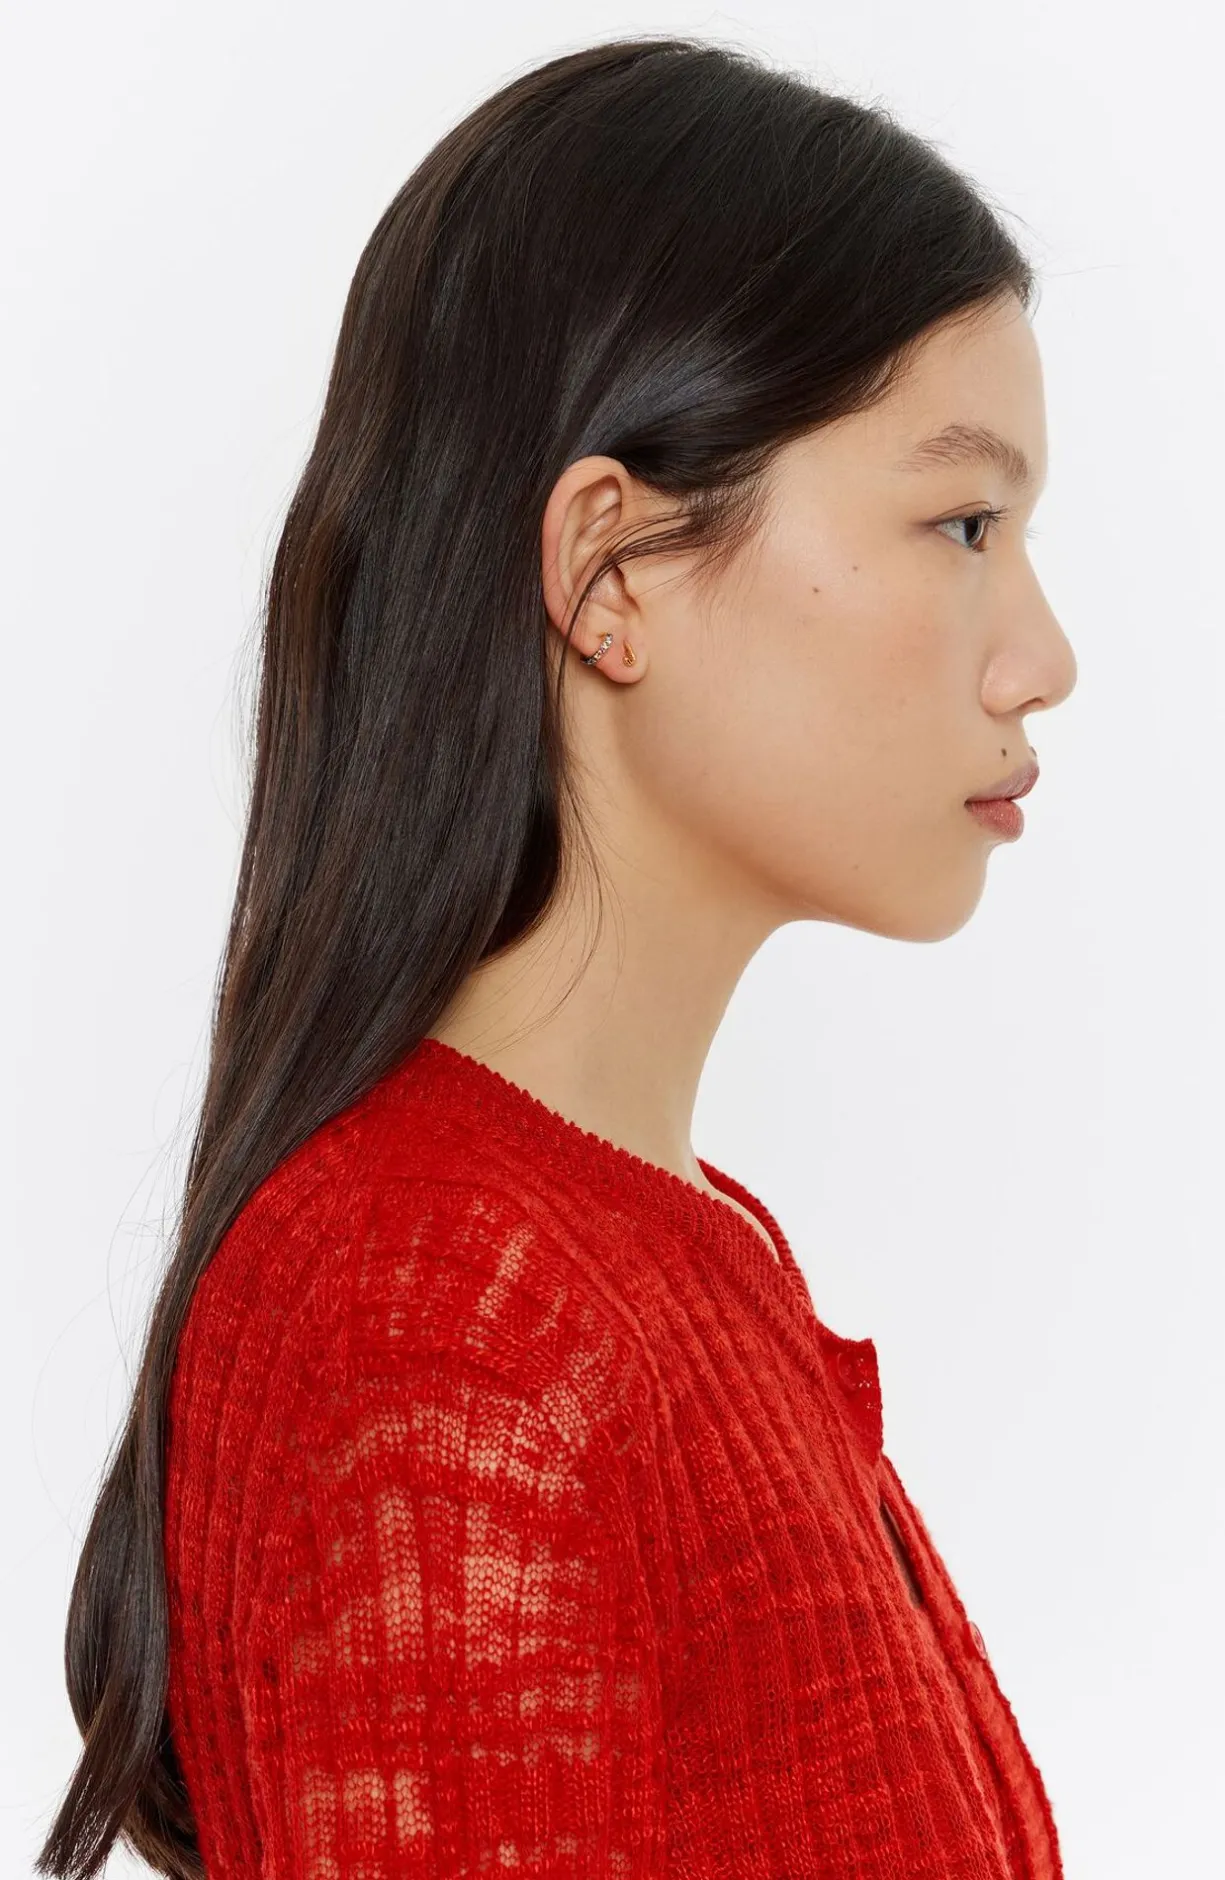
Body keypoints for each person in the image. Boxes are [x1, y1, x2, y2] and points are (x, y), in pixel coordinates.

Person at [38, 33, 1077, 1880]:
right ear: (610, 572)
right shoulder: (446, 1316)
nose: (1042, 657)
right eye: (963, 524)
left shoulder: (632, 1255)